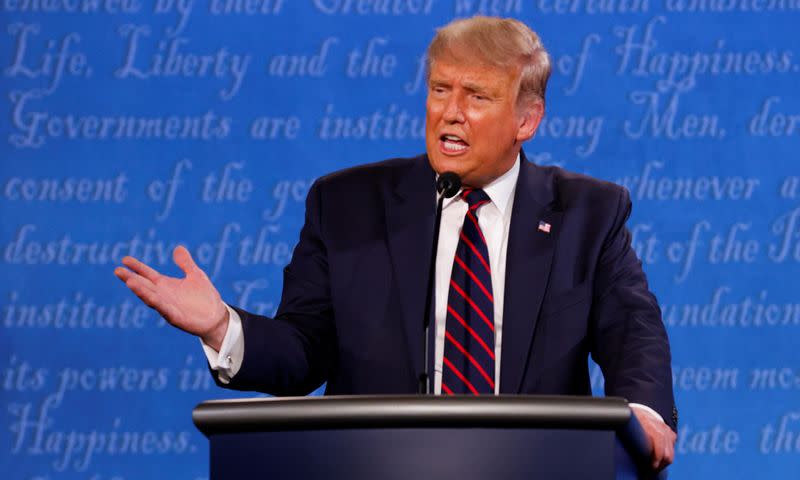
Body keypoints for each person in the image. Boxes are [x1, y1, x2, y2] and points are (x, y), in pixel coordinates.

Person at [114, 16, 677, 469]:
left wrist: (645, 410)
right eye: (439, 90)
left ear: (526, 119)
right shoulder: (347, 205)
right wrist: (221, 326)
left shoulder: (587, 213)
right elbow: (304, 352)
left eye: (476, 96)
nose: (449, 113)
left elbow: (632, 328)